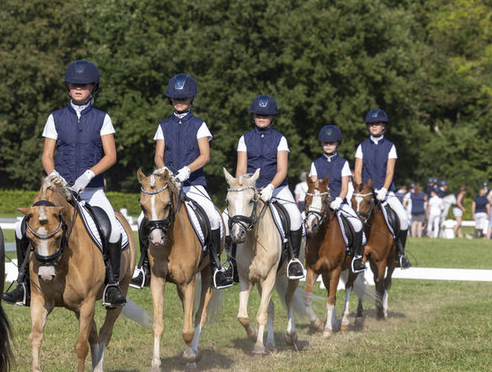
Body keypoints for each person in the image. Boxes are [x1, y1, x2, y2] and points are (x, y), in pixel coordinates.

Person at [3, 60, 126, 309]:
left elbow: (110, 155)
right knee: (21, 228)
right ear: (67, 87)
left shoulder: (102, 118)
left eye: (84, 85)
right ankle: (22, 284)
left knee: (112, 229)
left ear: (93, 87)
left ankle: (111, 284)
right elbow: (47, 155)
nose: (78, 88)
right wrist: (55, 175)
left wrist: (89, 175)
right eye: (73, 84)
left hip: (91, 191)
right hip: (61, 190)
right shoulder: (56, 117)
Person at [131, 74, 234, 290]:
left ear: (191, 99)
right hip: (167, 183)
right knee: (143, 219)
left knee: (214, 218)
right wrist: (165, 170)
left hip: (193, 183)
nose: (180, 102)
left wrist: (187, 170)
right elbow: (158, 155)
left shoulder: (199, 125)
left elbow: (205, 155)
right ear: (171, 100)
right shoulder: (163, 125)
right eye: (176, 99)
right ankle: (143, 267)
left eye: (184, 98)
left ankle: (216, 265)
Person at [234, 94, 305, 280]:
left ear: (272, 117)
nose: (261, 118)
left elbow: (282, 169)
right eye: (258, 114)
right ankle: (231, 264)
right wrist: (244, 187)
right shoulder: (245, 138)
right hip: (251, 189)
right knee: (230, 217)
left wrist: (271, 187)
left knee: (295, 216)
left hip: (277, 187)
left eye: (265, 115)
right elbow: (241, 168)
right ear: (253, 116)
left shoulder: (280, 139)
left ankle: (294, 261)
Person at [353, 109, 411, 268]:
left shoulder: (390, 146)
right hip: (365, 193)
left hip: (385, 193)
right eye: (371, 124)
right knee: (352, 218)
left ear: (383, 126)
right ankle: (352, 253)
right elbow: (357, 171)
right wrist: (362, 189)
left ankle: (400, 254)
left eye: (377, 124)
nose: (373, 126)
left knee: (403, 219)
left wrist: (384, 190)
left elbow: (390, 171)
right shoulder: (362, 146)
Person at [309, 125, 365, 274]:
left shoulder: (343, 163)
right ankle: (300, 256)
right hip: (320, 204)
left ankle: (356, 258)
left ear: (337, 144)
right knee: (304, 224)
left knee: (357, 224)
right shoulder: (315, 164)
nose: (328, 146)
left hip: (339, 203)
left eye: (331, 143)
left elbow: (345, 187)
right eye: (325, 143)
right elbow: (314, 186)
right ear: (321, 144)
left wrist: (339, 200)